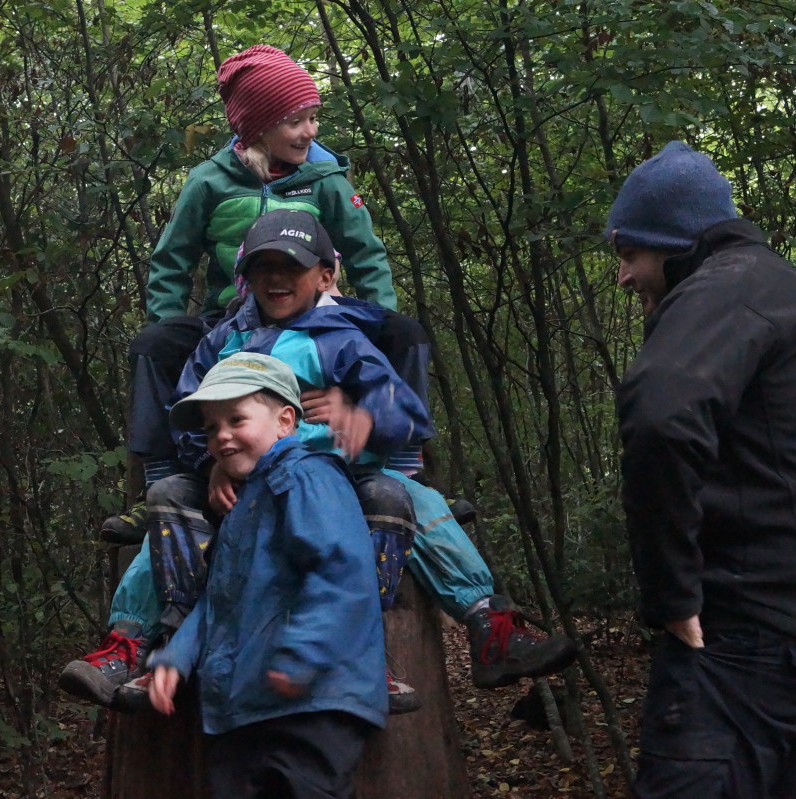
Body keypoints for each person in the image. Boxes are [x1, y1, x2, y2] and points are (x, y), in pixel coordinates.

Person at [59, 211, 577, 711]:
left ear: (325, 276)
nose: (276, 278)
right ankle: (134, 644)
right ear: (246, 278)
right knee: (168, 500)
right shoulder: (224, 340)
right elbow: (187, 412)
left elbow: (406, 411)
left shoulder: (343, 337)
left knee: (406, 499)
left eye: (291, 266)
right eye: (263, 267)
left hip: (332, 478)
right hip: (242, 480)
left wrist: (362, 414)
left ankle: (467, 626)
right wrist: (209, 462)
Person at [111, 43, 429, 532]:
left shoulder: (326, 177)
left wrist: (365, 328)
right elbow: (171, 261)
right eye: (295, 121)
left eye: (313, 117)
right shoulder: (209, 182)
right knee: (154, 345)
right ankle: (163, 481)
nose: (310, 131)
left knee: (405, 333)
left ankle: (409, 476)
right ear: (257, 126)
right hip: (231, 315)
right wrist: (170, 321)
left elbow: (366, 254)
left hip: (321, 312)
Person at [609, 140, 796, 798]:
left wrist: (672, 596)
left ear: (674, 243)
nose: (624, 277)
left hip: (738, 651)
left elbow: (660, 419)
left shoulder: (720, 290)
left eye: (630, 254)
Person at [147, 351, 387, 799]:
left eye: (236, 419)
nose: (221, 436)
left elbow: (339, 570)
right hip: (244, 708)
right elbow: (220, 599)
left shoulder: (306, 477)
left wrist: (301, 655)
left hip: (311, 700)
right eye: (211, 428)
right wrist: (176, 658)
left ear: (285, 421)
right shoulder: (244, 503)